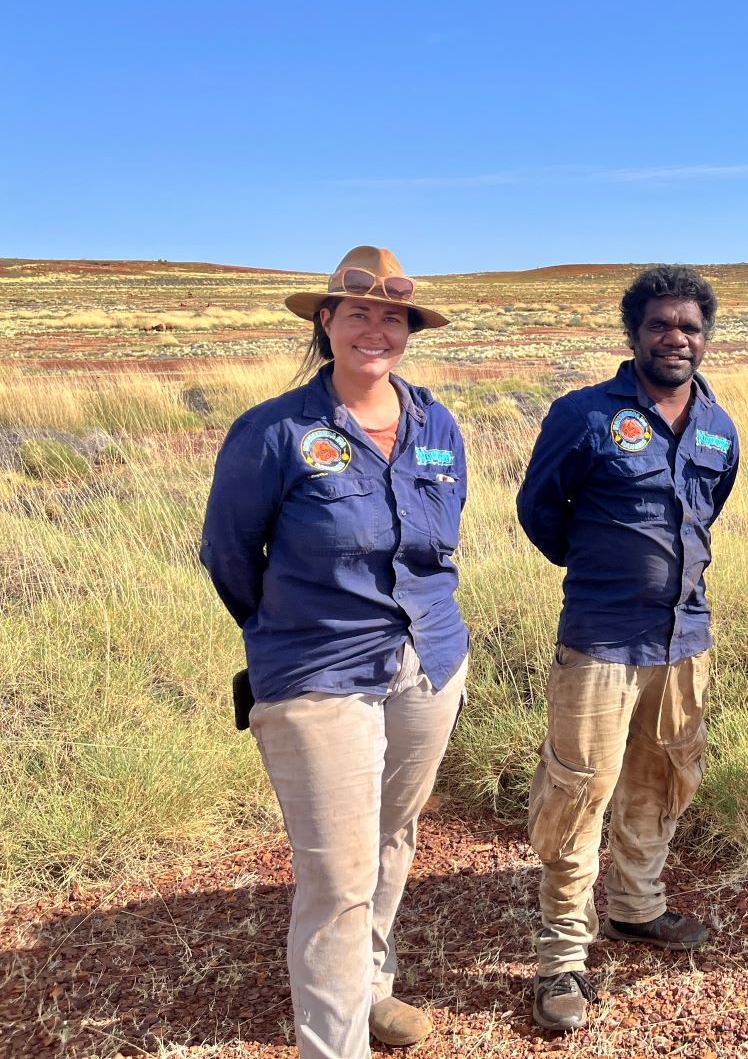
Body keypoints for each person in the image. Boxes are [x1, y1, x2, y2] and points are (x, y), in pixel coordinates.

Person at [200, 246, 469, 1056]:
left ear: (409, 331)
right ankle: (335, 1043)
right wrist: (286, 638)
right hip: (319, 674)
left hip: (426, 661)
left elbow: (441, 541)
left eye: (393, 317)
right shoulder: (274, 431)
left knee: (393, 837)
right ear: (327, 321)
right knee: (337, 877)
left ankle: (370, 987)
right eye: (359, 313)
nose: (376, 330)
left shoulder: (437, 426)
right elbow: (226, 553)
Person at [516, 265, 739, 1033]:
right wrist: (605, 569)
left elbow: (709, 510)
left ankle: (637, 908)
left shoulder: (717, 425)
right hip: (602, 636)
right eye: (660, 325)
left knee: (663, 773)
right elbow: (540, 511)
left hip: (686, 636)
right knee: (578, 788)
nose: (676, 337)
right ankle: (559, 958)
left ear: (704, 337)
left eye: (690, 326)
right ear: (633, 333)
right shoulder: (584, 414)